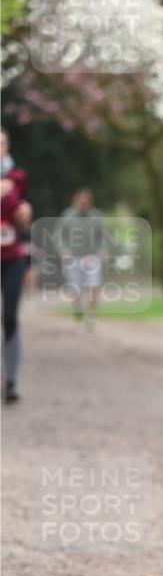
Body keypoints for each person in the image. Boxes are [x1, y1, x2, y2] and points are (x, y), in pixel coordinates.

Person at [1, 127, 32, 404]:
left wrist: (24, 212)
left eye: (1, 143)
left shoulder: (17, 176)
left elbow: (18, 214)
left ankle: (10, 380)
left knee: (9, 316)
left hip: (11, 257)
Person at [58, 188, 106, 329]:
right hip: (73, 257)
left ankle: (90, 314)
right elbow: (59, 236)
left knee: (93, 284)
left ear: (90, 203)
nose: (83, 205)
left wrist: (103, 249)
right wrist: (63, 249)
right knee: (75, 287)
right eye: (81, 202)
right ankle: (78, 306)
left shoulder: (96, 216)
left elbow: (104, 236)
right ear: (76, 201)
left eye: (86, 203)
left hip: (92, 257)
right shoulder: (67, 216)